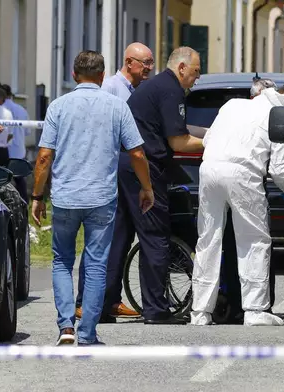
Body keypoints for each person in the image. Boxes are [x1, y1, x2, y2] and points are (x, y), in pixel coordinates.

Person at [31, 50, 153, 345]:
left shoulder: (58, 107)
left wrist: (37, 196)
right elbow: (136, 152)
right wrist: (146, 187)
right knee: (97, 263)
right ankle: (87, 332)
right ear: (102, 75)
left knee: (61, 260)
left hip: (65, 196)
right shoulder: (116, 106)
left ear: (74, 75)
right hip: (101, 196)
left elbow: (45, 156)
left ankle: (65, 327)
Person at [104, 47, 205, 325]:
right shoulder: (171, 90)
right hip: (143, 168)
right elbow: (178, 142)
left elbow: (178, 129)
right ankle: (156, 310)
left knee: (120, 238)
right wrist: (215, 141)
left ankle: (104, 303)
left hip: (126, 166)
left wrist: (208, 131)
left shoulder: (159, 86)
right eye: (196, 72)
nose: (197, 78)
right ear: (182, 67)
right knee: (155, 237)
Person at [190, 83, 284, 327]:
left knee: (208, 240)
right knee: (254, 240)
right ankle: (254, 309)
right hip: (243, 173)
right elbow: (281, 172)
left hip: (209, 168)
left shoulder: (232, 105)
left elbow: (209, 138)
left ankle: (200, 311)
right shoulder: (281, 114)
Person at [75, 42, 155, 321]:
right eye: (145, 63)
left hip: (125, 170)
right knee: (99, 237)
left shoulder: (137, 91)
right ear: (129, 62)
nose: (149, 68)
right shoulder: (109, 88)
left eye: (151, 63)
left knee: (120, 237)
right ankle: (84, 300)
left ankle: (111, 299)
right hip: (107, 170)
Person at [1, 83, 31, 202]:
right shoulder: (21, 109)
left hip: (4, 149)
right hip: (19, 150)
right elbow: (28, 131)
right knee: (20, 180)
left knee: (2, 180)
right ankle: (24, 202)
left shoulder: (0, 109)